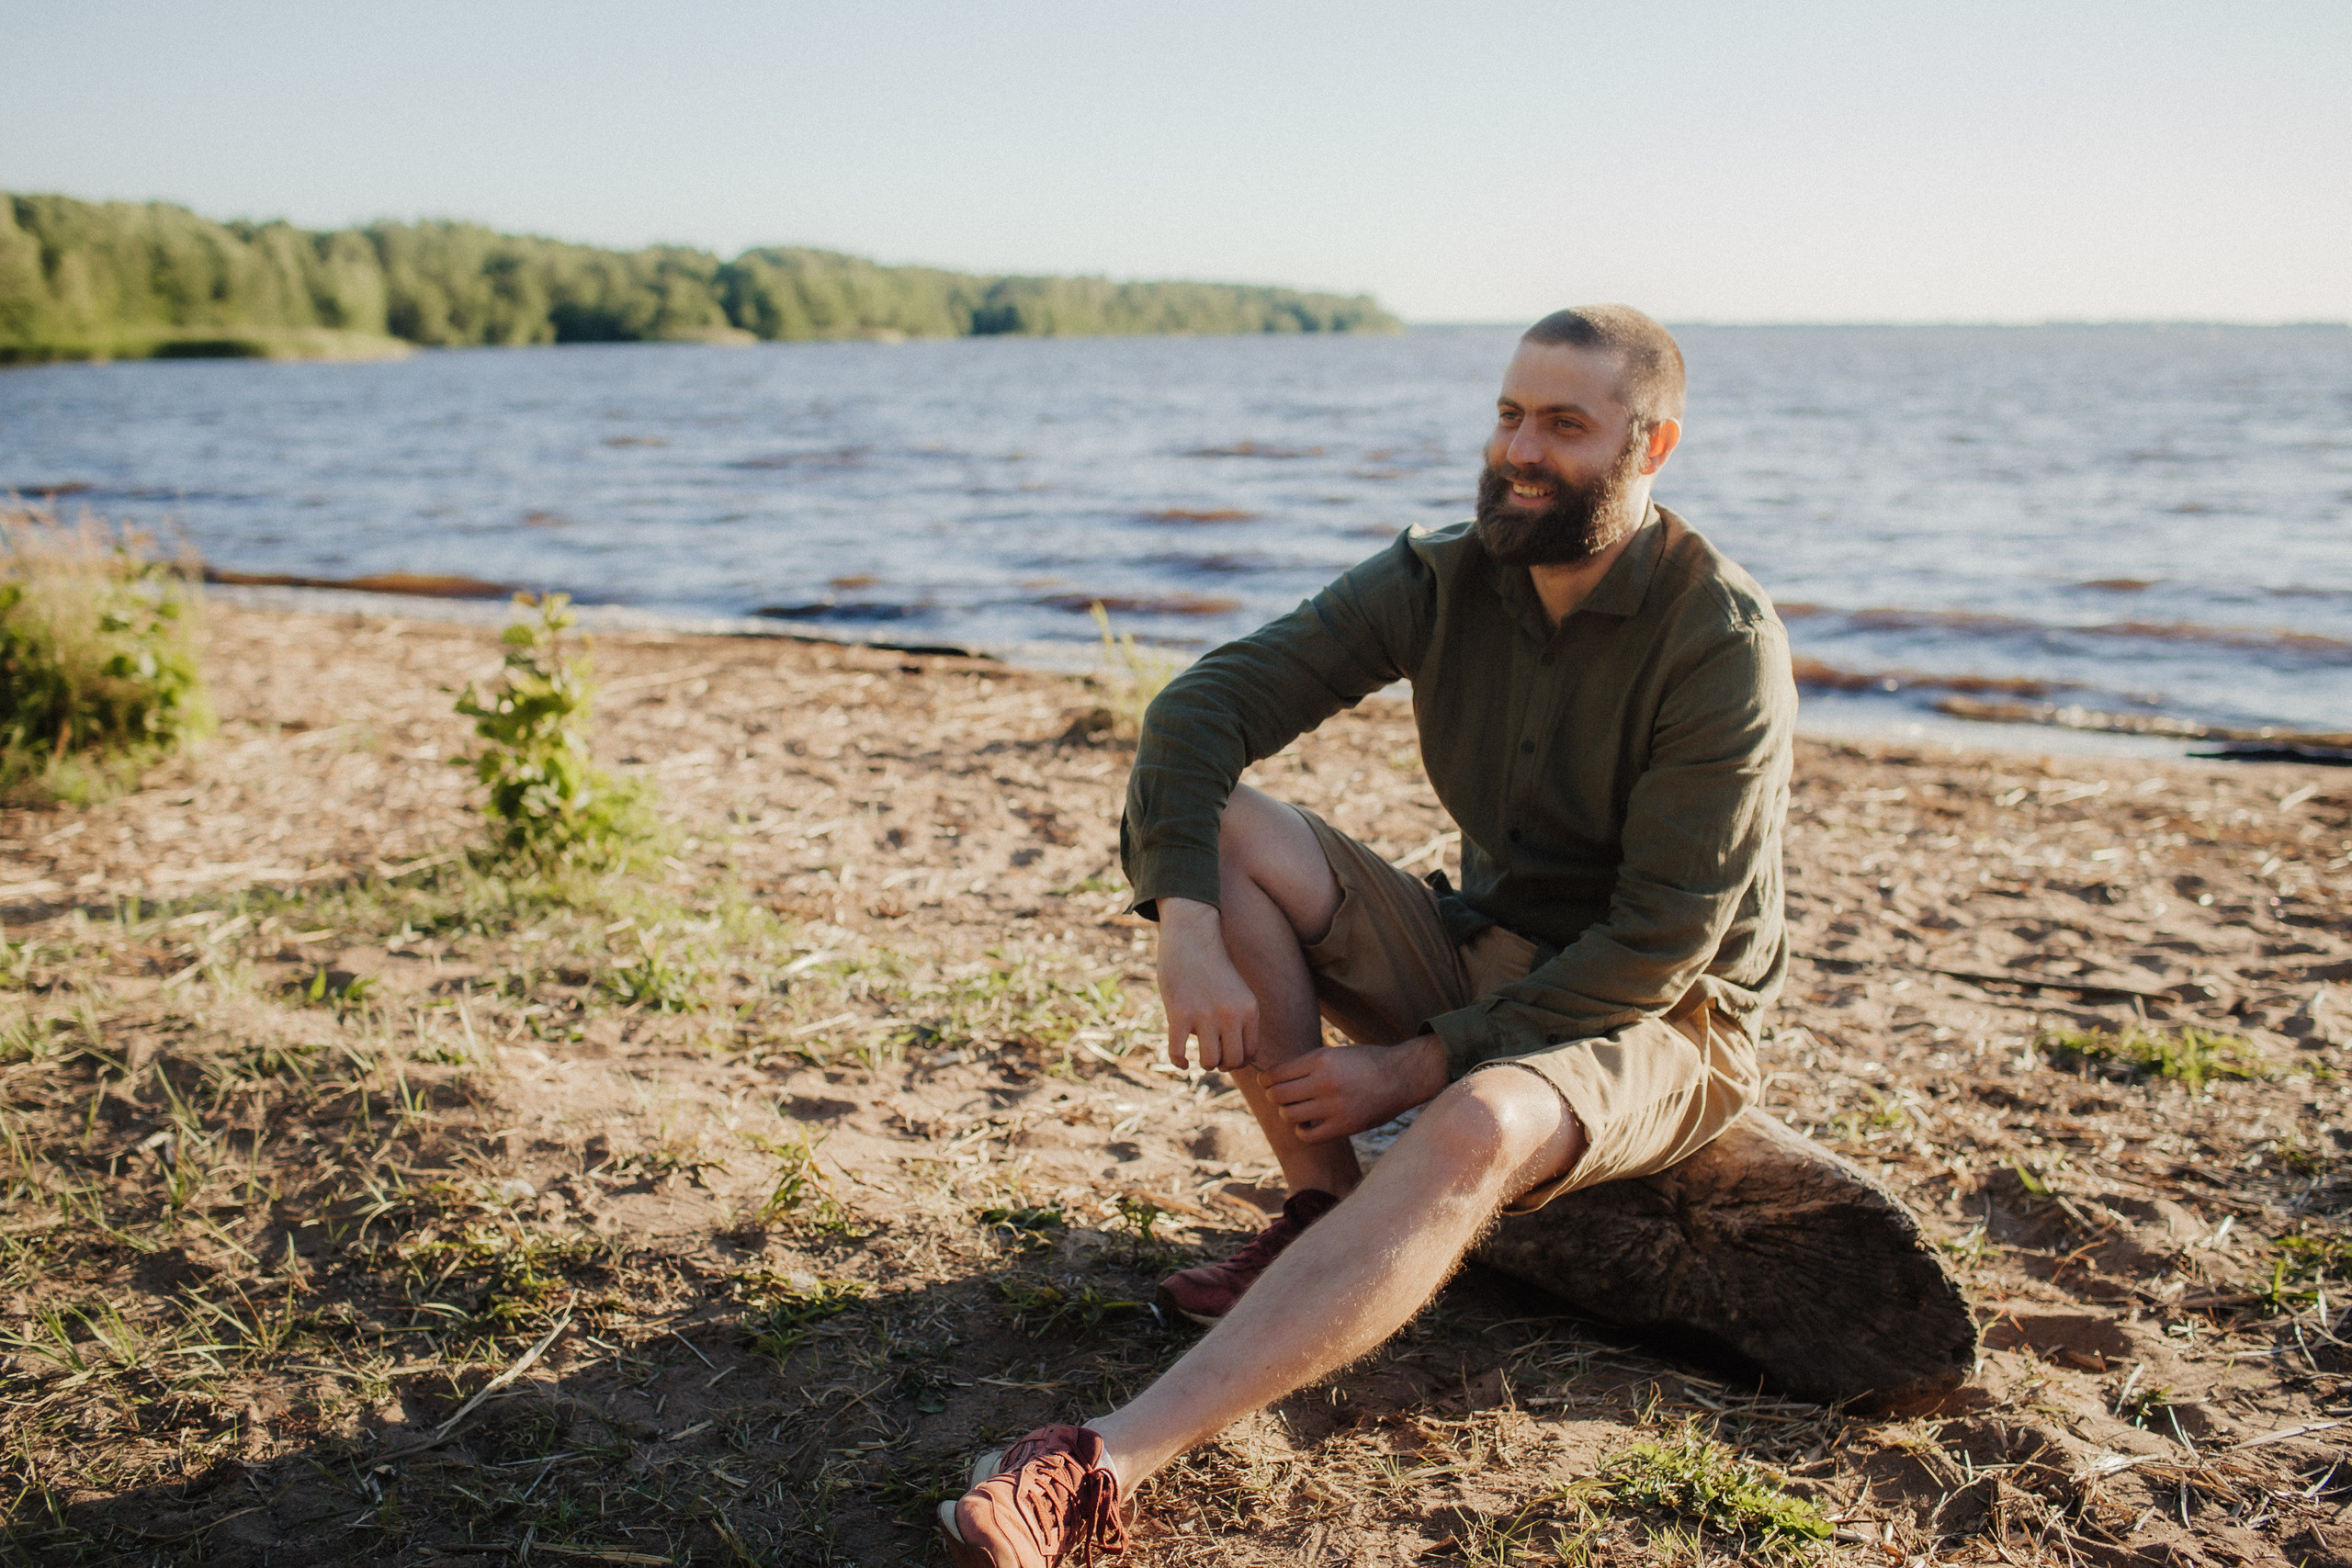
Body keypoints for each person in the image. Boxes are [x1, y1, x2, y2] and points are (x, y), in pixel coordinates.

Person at [939, 305, 1795, 1568]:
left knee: (1475, 1121)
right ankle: (1318, 1212)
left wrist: (1414, 1065)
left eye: (1565, 423)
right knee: (1221, 829)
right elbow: (1201, 709)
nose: (1520, 449)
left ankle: (1105, 1460)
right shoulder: (1445, 575)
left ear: (1651, 444)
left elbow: (1660, 944)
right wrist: (1183, 925)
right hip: (1482, 938)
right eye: (1509, 413)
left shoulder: (1720, 643)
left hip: (1663, 1017)